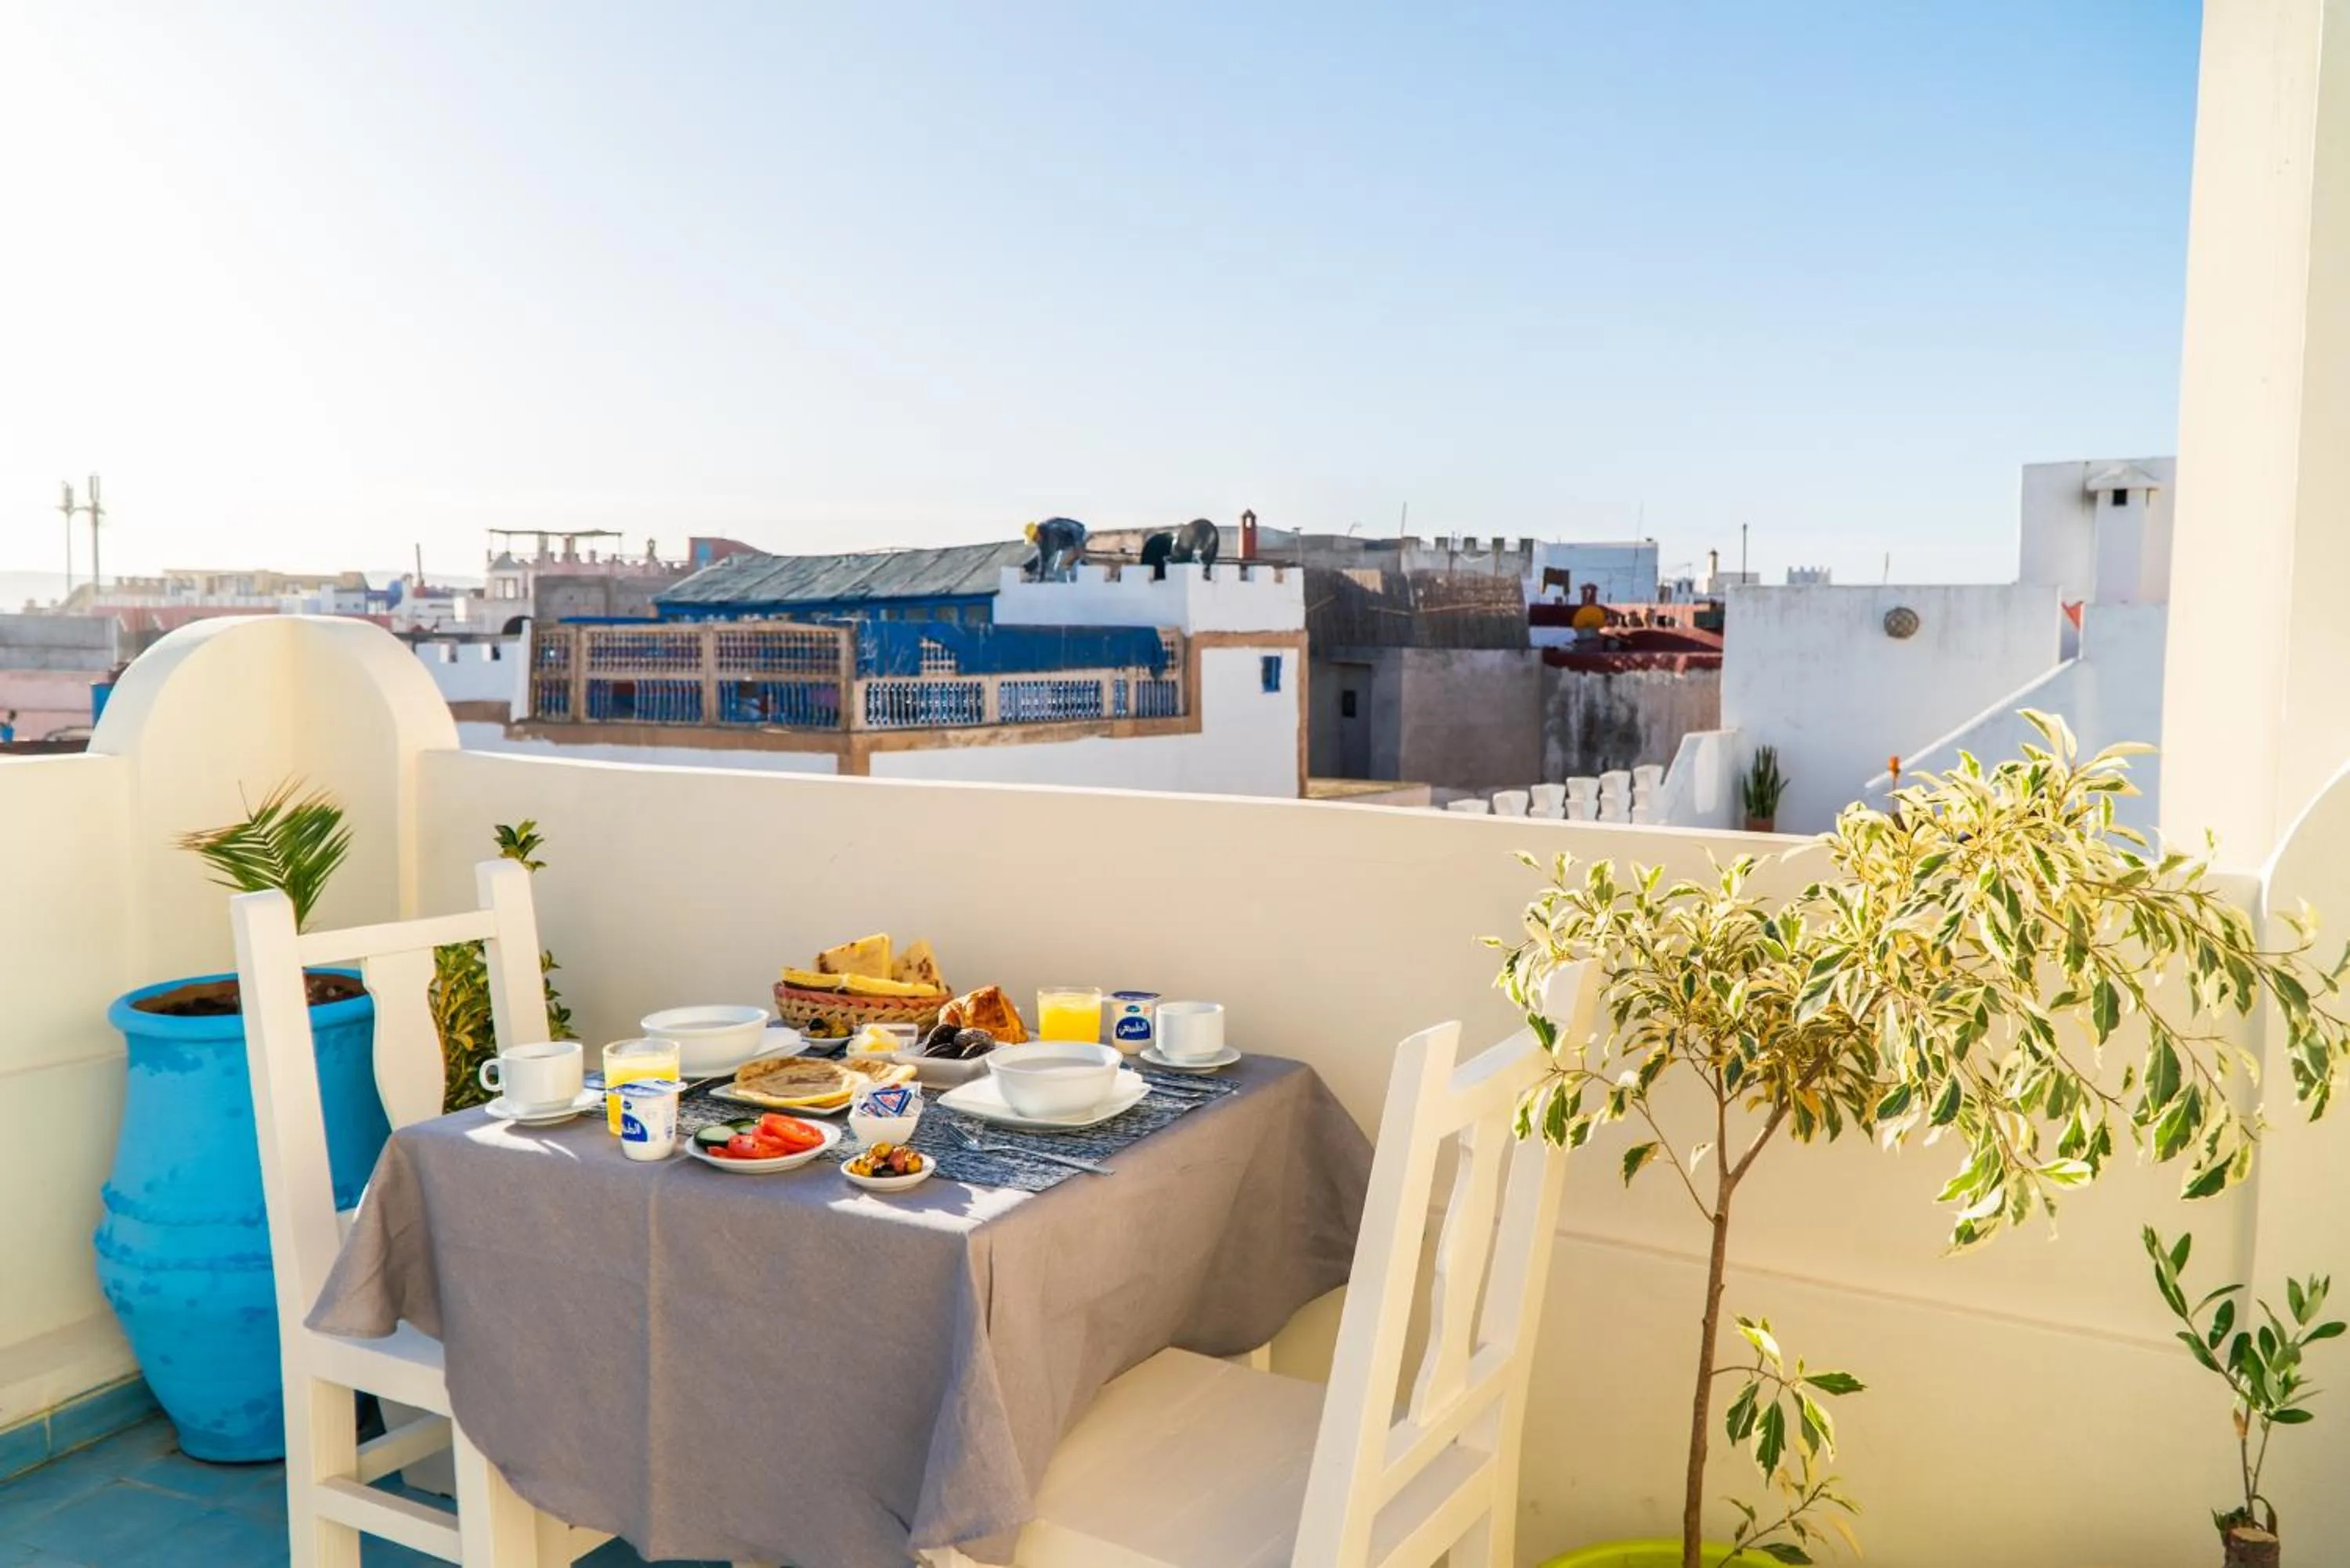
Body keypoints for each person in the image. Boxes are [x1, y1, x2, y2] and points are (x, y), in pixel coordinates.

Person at [1024, 517, 1089, 582]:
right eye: (1033, 540)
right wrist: (1040, 579)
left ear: (1038, 532)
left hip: (1079, 535)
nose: (1036, 541)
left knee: (1066, 570)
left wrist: (1079, 546)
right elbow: (1042, 559)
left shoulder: (1052, 531)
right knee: (1060, 570)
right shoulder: (1042, 539)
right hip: (1068, 544)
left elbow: (1047, 555)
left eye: (1035, 538)